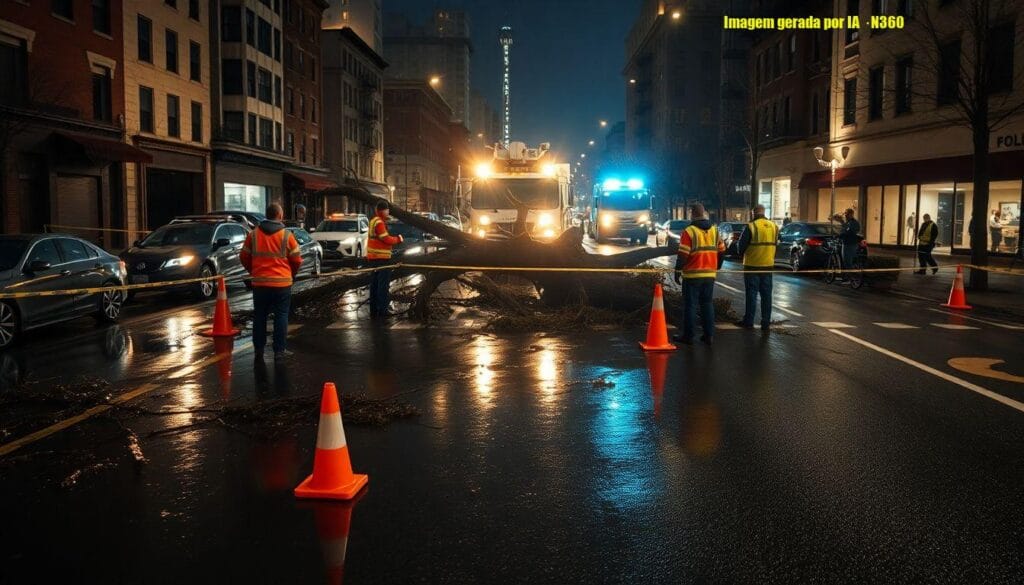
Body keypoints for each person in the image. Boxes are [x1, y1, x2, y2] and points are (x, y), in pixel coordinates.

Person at [241, 203, 302, 362]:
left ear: (266, 215)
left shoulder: (253, 235)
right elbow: (296, 260)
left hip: (260, 284)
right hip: (282, 284)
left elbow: (244, 257)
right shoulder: (287, 236)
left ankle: (259, 350)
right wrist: (291, 275)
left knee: (260, 316)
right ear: (280, 216)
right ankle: (279, 351)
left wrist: (254, 271)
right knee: (281, 316)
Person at [673, 203, 726, 346]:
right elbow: (722, 251)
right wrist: (717, 266)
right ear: (704, 213)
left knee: (690, 305)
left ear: (692, 214)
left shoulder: (689, 231)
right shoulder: (715, 231)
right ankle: (709, 335)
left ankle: (688, 336)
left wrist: (677, 270)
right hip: (709, 274)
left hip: (692, 275)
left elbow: (683, 254)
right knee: (707, 304)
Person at [736, 204, 778, 331]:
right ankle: (766, 322)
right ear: (764, 212)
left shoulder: (751, 226)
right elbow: (776, 243)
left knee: (752, 294)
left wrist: (741, 252)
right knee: (766, 295)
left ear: (753, 213)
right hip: (768, 265)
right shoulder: (774, 226)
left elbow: (740, 247)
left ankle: (749, 321)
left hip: (752, 265)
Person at [367, 199, 403, 320]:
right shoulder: (380, 222)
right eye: (387, 210)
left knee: (374, 285)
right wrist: (398, 239)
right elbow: (385, 239)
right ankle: (383, 310)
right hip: (382, 259)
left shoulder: (373, 221)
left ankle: (373, 310)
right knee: (382, 285)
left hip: (373, 258)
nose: (388, 212)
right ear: (383, 211)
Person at [834, 208, 861, 273]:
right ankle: (848, 277)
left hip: (849, 243)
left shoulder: (854, 223)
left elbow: (849, 231)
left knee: (847, 261)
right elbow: (844, 230)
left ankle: (850, 278)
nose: (845, 215)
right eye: (845, 213)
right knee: (847, 261)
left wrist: (842, 223)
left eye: (847, 213)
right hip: (848, 243)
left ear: (852, 214)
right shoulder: (848, 222)